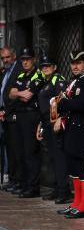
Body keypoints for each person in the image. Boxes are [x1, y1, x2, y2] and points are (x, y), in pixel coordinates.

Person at [55, 50, 84, 218]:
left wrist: (63, 102)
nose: (74, 66)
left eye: (79, 63)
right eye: (72, 63)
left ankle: (83, 207)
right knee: (74, 168)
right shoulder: (76, 81)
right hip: (73, 130)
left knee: (83, 168)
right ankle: (75, 203)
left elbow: (80, 104)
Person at [8, 48, 45, 198]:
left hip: (32, 115)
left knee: (31, 152)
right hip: (21, 116)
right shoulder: (21, 75)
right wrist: (18, 93)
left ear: (34, 59)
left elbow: (27, 96)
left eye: (28, 59)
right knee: (21, 152)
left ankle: (33, 187)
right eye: (23, 59)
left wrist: (19, 93)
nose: (25, 62)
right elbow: (11, 94)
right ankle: (24, 184)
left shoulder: (39, 75)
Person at [36, 54, 70, 203]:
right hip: (46, 122)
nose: (45, 68)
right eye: (43, 66)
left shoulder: (58, 80)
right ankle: (58, 189)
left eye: (48, 66)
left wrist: (60, 119)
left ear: (55, 67)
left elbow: (62, 100)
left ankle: (64, 191)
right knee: (52, 158)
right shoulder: (45, 82)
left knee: (59, 157)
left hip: (55, 123)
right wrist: (40, 125)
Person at [0, 47, 21, 192]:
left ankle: (19, 181)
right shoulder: (5, 72)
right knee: (10, 149)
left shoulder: (18, 69)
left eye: (7, 57)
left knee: (17, 149)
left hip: (14, 114)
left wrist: (6, 110)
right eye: (2, 58)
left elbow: (16, 95)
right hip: (4, 115)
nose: (5, 60)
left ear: (13, 56)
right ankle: (13, 179)